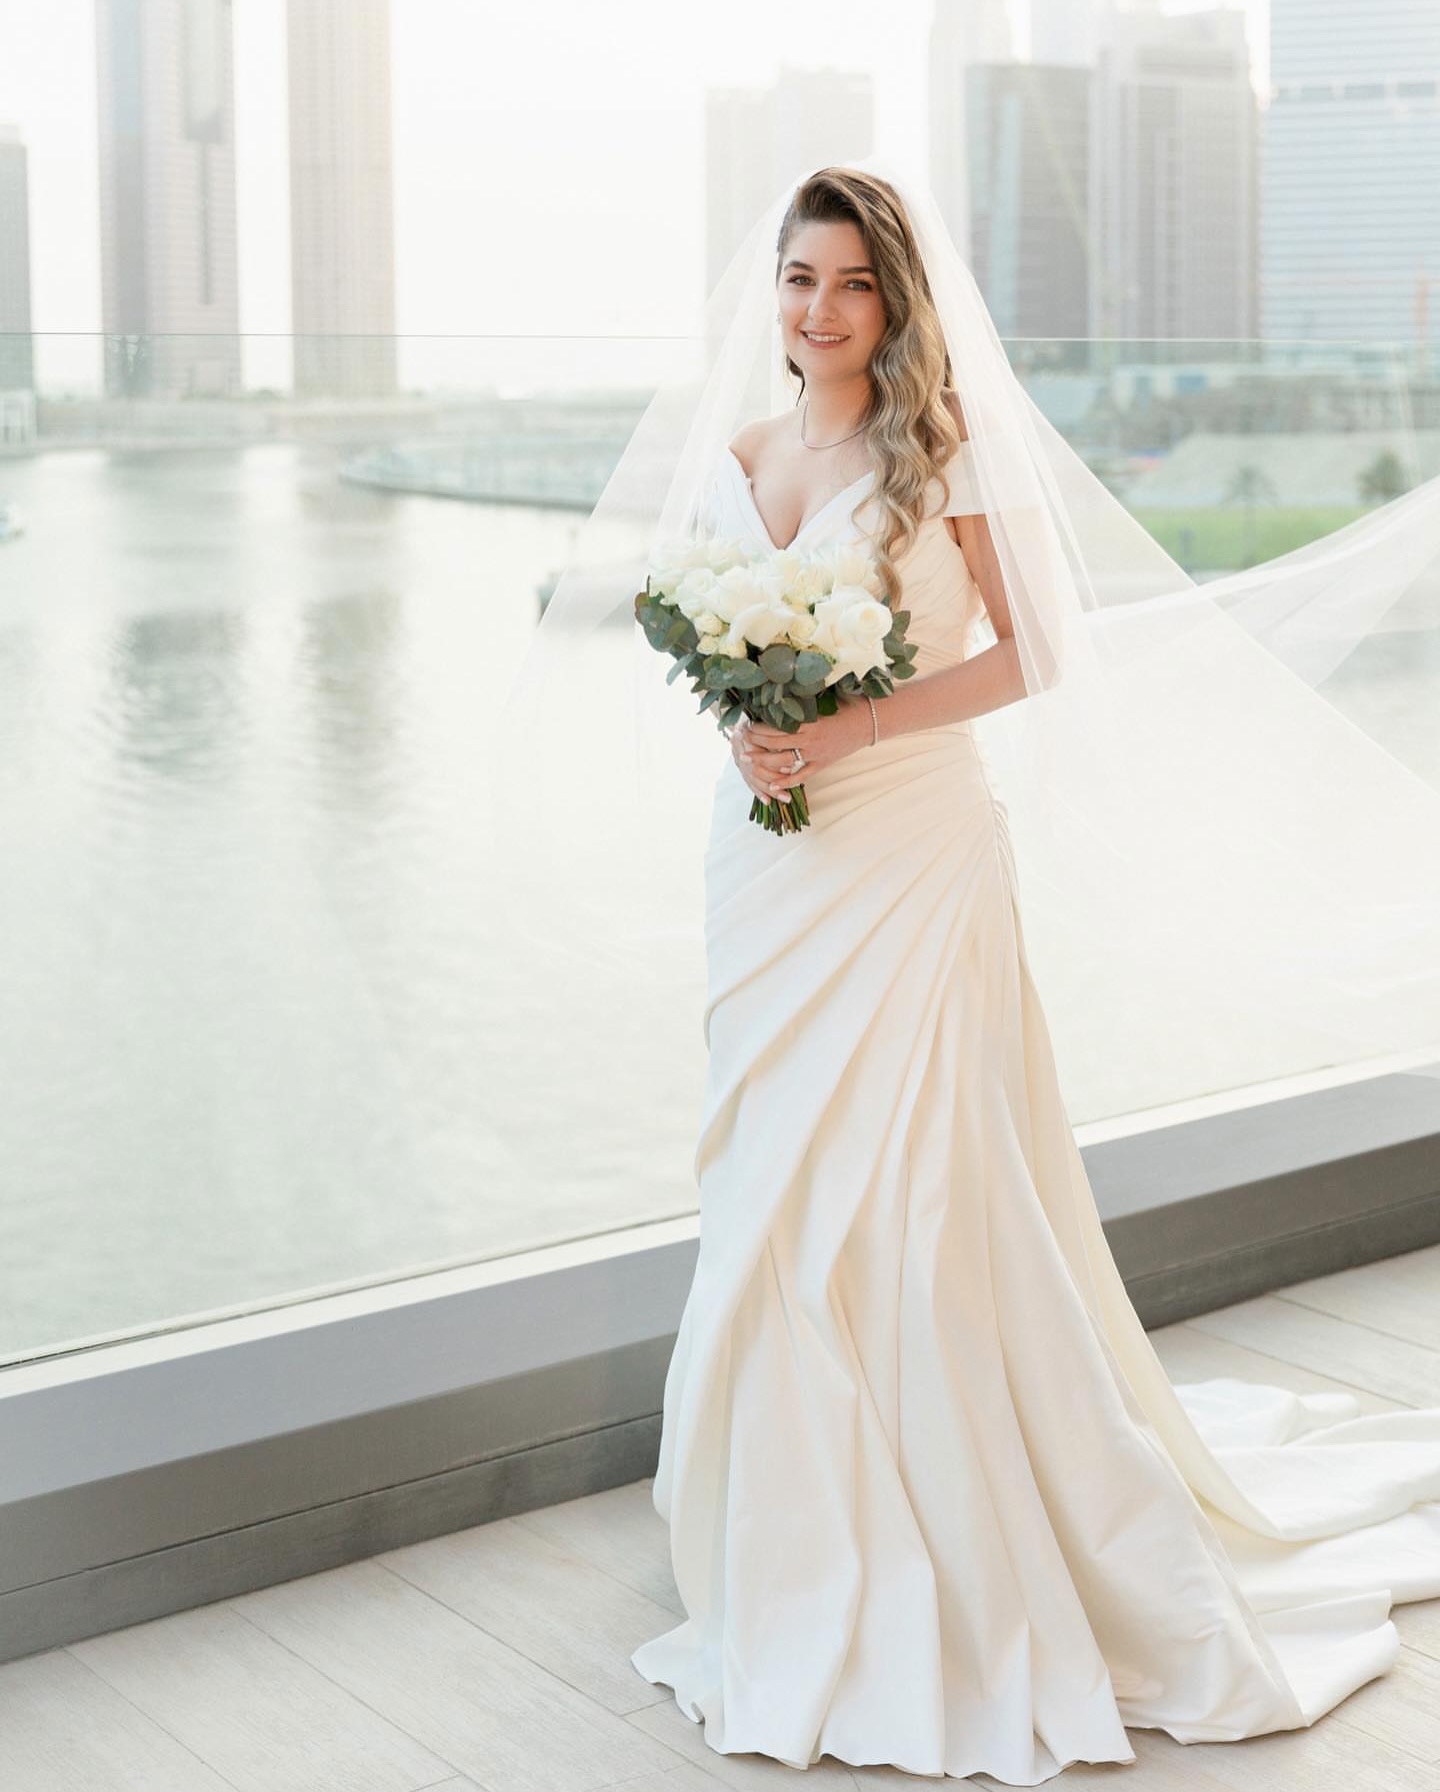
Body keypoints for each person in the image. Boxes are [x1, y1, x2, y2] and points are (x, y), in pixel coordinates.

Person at [608, 165, 1440, 1786]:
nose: (817, 313)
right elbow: (712, 639)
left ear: (894, 300)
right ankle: (785, 1545)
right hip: (767, 859)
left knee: (914, 1191)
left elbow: (1031, 651)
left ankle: (965, 1536)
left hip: (910, 850)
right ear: (766, 294)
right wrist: (757, 721)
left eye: (850, 285)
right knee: (771, 1181)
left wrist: (848, 723)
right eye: (796, 280)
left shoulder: (943, 451)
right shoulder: (740, 452)